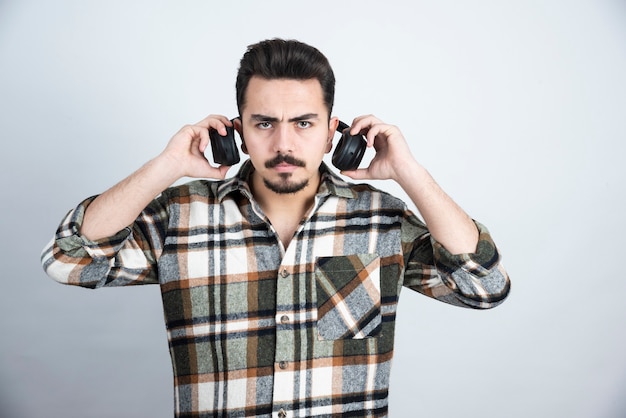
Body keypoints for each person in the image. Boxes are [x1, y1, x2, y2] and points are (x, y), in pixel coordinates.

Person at [41, 38, 510, 418]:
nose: (283, 143)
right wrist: (167, 166)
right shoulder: (178, 217)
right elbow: (68, 261)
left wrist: (409, 171)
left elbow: (484, 287)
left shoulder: (381, 220)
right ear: (236, 131)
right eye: (264, 123)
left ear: (334, 134)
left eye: (304, 123)